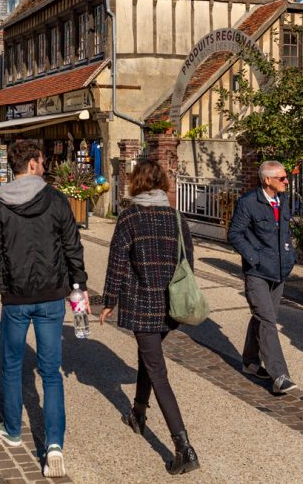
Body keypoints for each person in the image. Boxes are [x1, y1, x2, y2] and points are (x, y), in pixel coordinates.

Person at [0, 139, 86, 478]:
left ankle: (13, 430)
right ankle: (53, 444)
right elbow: (73, 247)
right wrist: (78, 288)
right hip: (52, 296)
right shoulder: (56, 201)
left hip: (16, 297)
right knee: (51, 372)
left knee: (11, 366)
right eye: (41, 161)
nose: (44, 166)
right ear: (32, 164)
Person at [99, 160, 200, 475]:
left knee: (157, 371)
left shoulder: (130, 217)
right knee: (149, 356)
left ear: (136, 183)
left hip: (141, 302)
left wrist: (109, 301)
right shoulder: (176, 218)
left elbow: (117, 261)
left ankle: (184, 447)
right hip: (169, 304)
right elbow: (188, 262)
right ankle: (138, 413)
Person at [228, 160, 303, 394]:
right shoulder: (248, 203)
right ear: (267, 180)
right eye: (282, 178)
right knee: (268, 320)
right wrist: (254, 258)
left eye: (286, 178)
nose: (286, 182)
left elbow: (286, 232)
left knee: (263, 317)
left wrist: (289, 257)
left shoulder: (283, 200)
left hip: (279, 270)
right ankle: (279, 375)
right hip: (258, 272)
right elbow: (234, 233)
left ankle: (250, 361)